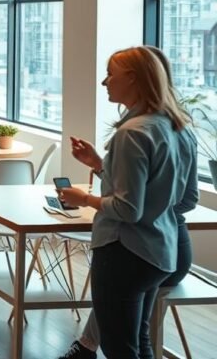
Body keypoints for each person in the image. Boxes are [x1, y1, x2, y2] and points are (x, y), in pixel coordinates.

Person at [59, 46, 198, 359]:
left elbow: (127, 210)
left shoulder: (132, 133)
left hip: (123, 252)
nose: (104, 82)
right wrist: (101, 165)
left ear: (133, 80)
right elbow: (187, 198)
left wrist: (84, 198)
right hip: (159, 251)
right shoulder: (177, 127)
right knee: (140, 341)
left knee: (119, 346)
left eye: (111, 75)